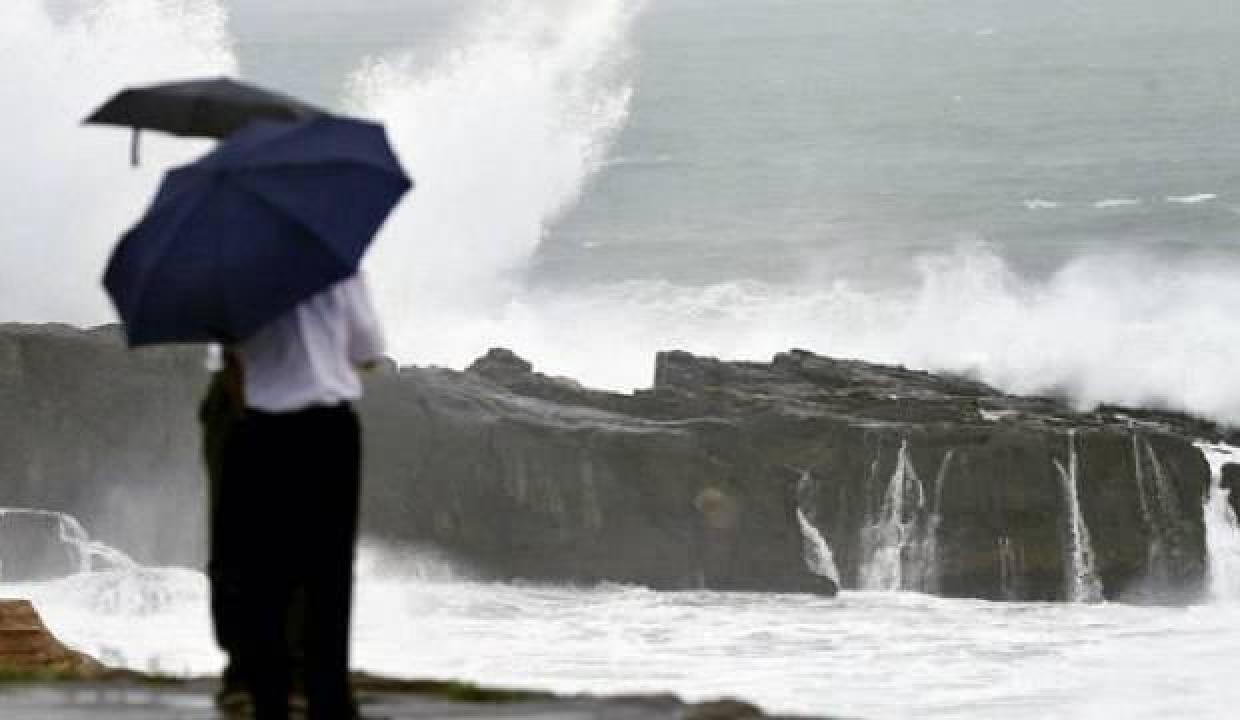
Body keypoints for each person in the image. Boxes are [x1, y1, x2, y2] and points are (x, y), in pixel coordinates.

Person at [215, 273, 384, 720]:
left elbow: (231, 361)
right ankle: (327, 695)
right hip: (328, 430)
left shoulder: (234, 275)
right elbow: (368, 351)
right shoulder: (337, 266)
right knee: (328, 571)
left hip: (264, 431)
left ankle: (270, 697)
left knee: (266, 572)